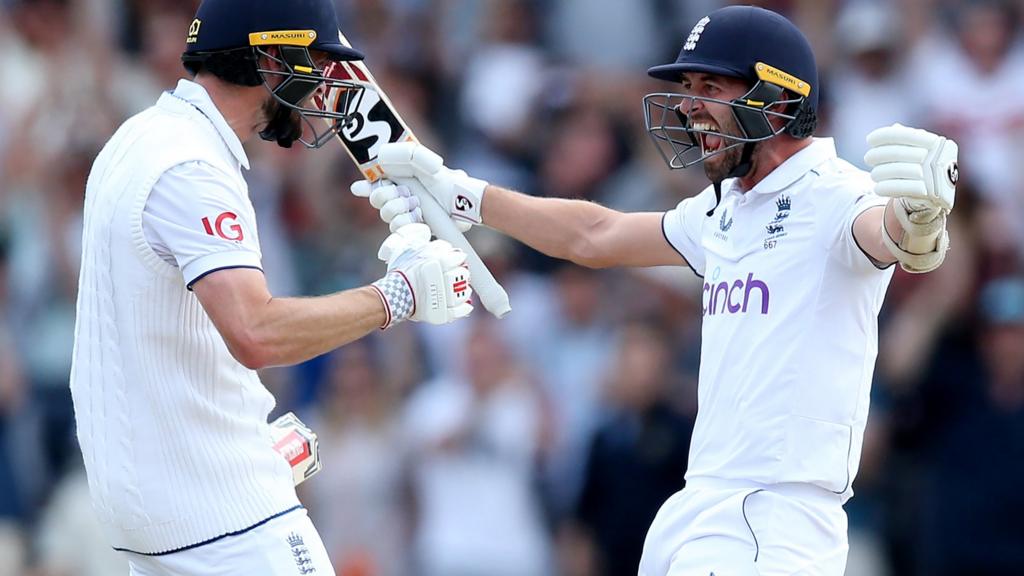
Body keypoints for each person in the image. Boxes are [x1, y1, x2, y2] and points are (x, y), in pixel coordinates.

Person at [354, 5, 959, 574]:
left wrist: (920, 219)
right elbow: (596, 234)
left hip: (776, 517)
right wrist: (466, 196)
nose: (691, 110)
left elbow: (888, 233)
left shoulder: (835, 195)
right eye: (689, 90)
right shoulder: (725, 208)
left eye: (711, 90)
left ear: (776, 101)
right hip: (702, 505)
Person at [70, 0, 473, 574]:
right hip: (226, 523)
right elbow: (255, 332)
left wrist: (248, 449)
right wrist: (398, 296)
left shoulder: (138, 138)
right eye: (308, 65)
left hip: (158, 519)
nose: (314, 90)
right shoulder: (191, 164)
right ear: (270, 58)